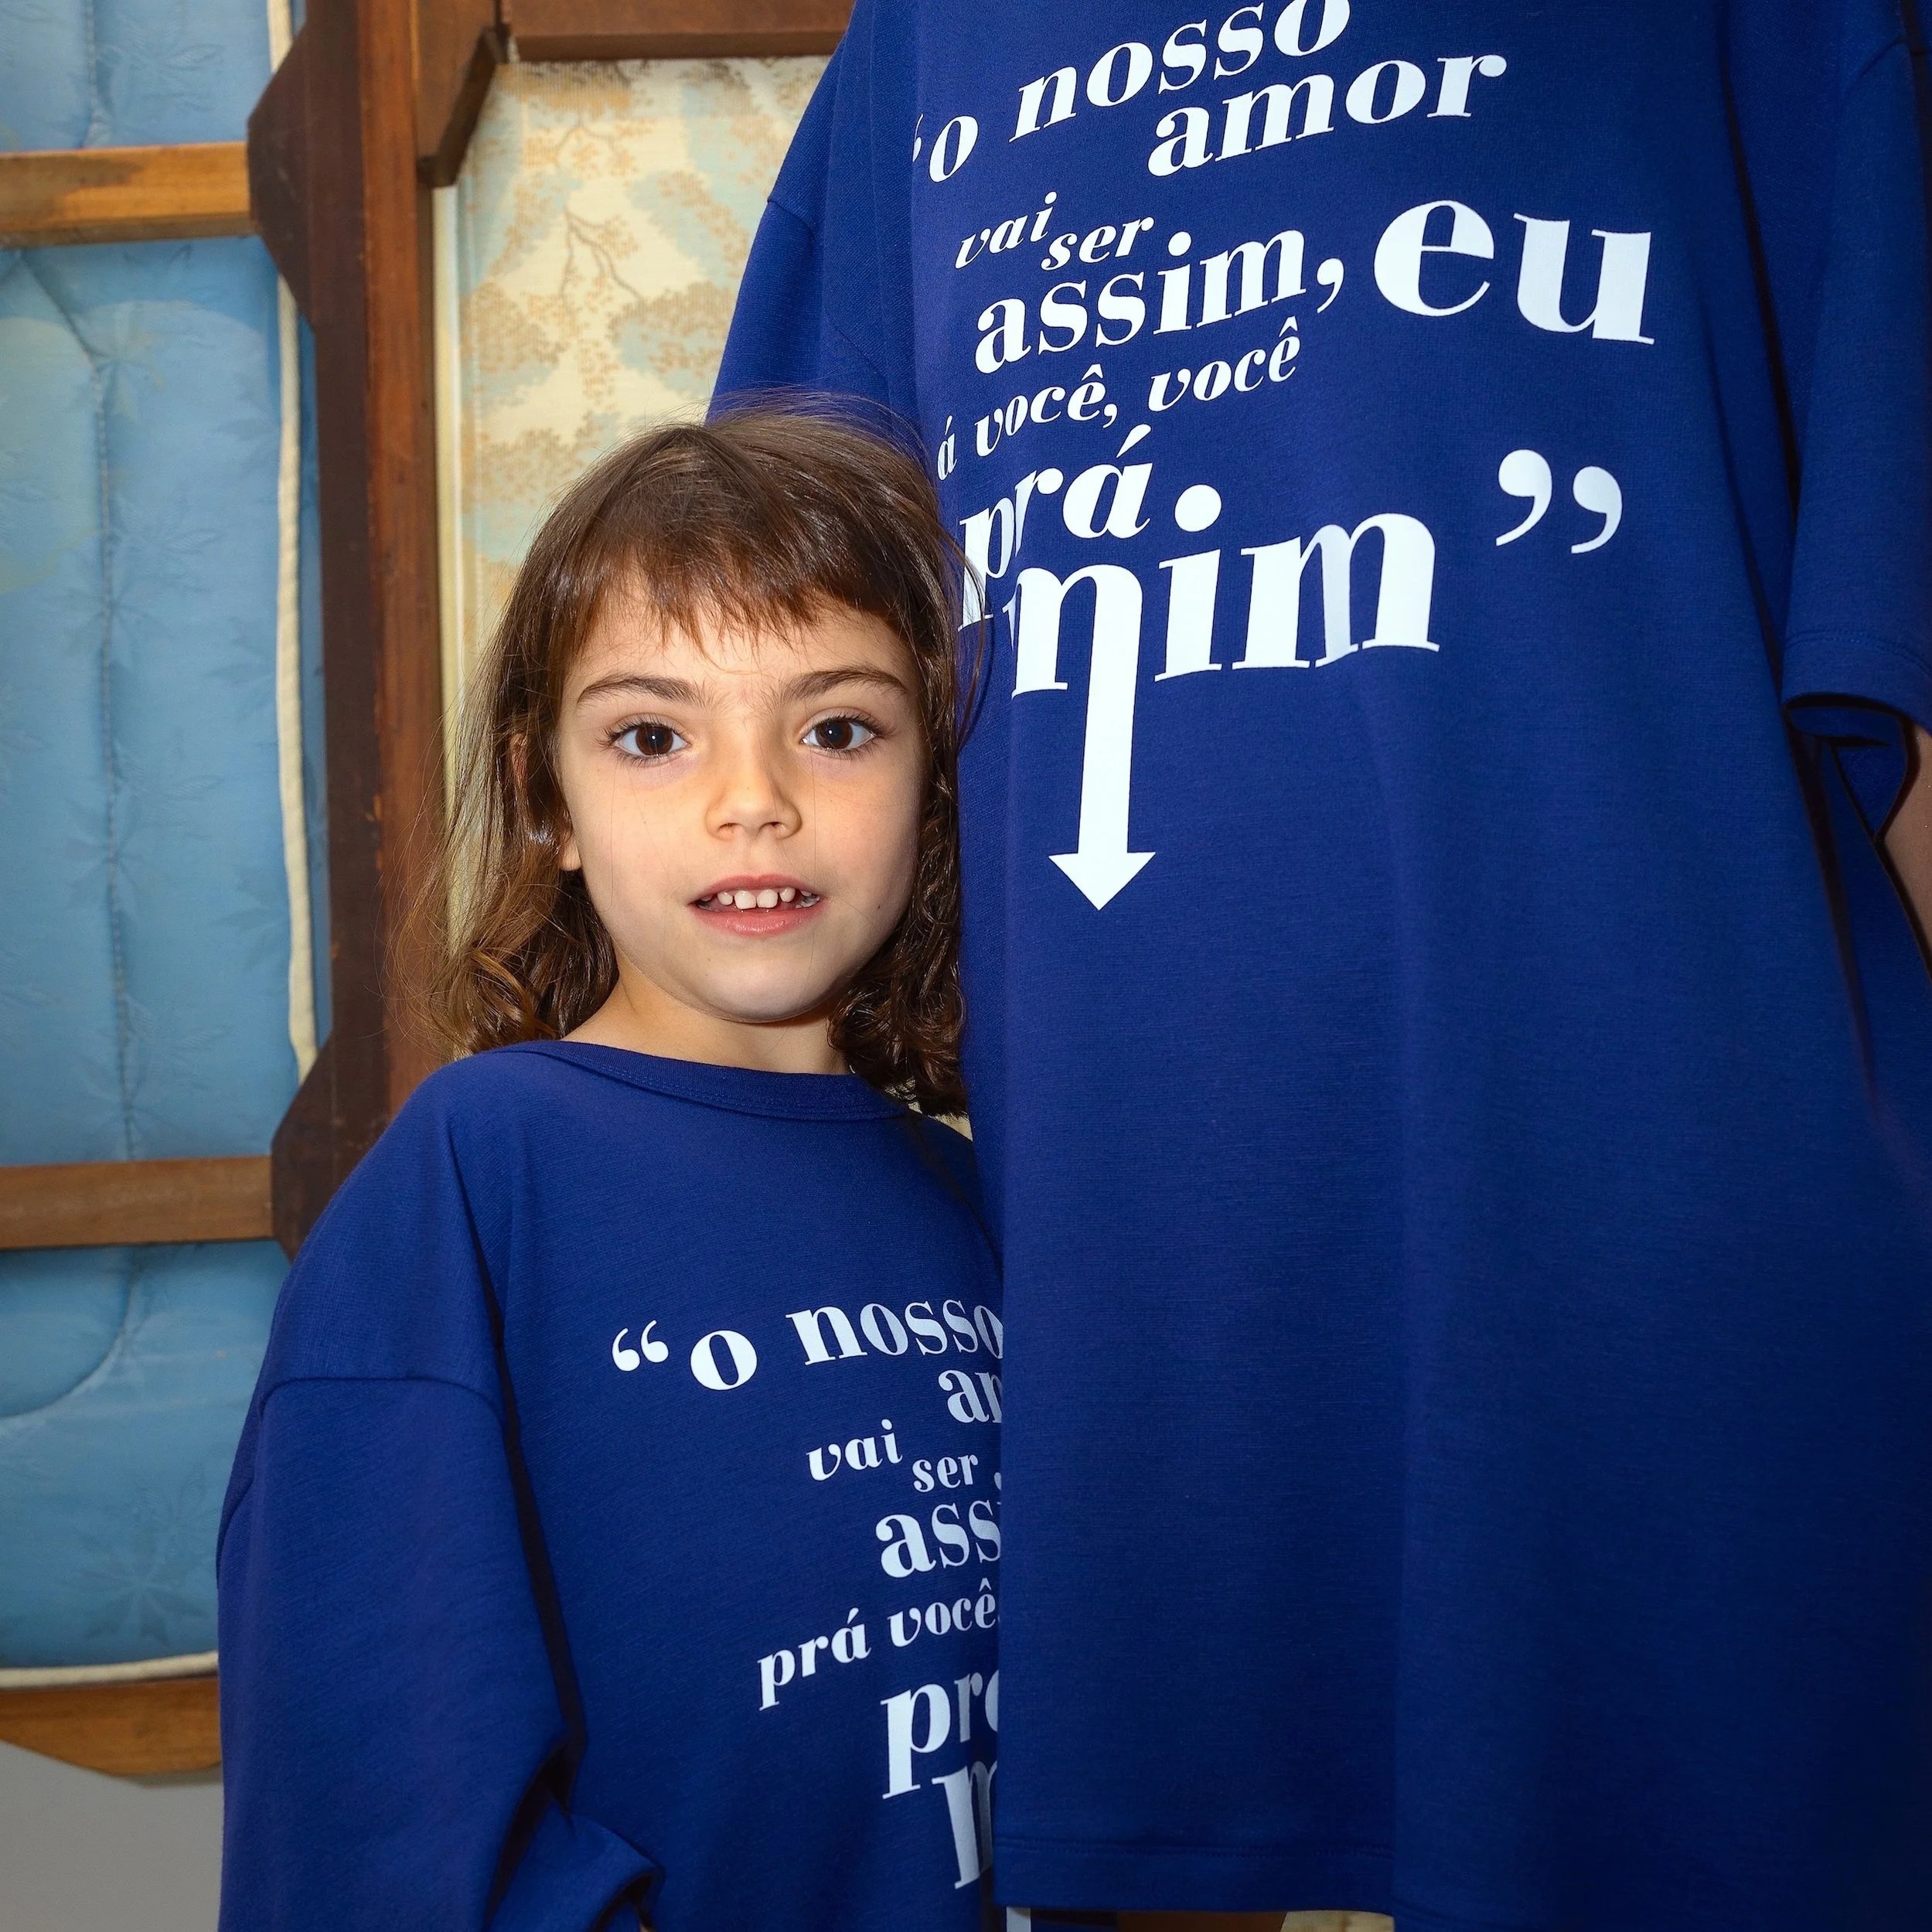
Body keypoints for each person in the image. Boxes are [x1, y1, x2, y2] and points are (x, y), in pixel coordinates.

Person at [715, 6, 1932, 1930]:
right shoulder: (926, 54)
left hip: (1668, 1255)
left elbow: (1892, 649)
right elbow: (769, 689)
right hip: (1142, 1301)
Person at [215, 412, 1004, 1931]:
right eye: (653, 736)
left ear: (934, 778)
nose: (751, 800)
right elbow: (382, 1813)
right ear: (548, 800)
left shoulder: (976, 1200)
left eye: (837, 728)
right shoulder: (477, 1175)